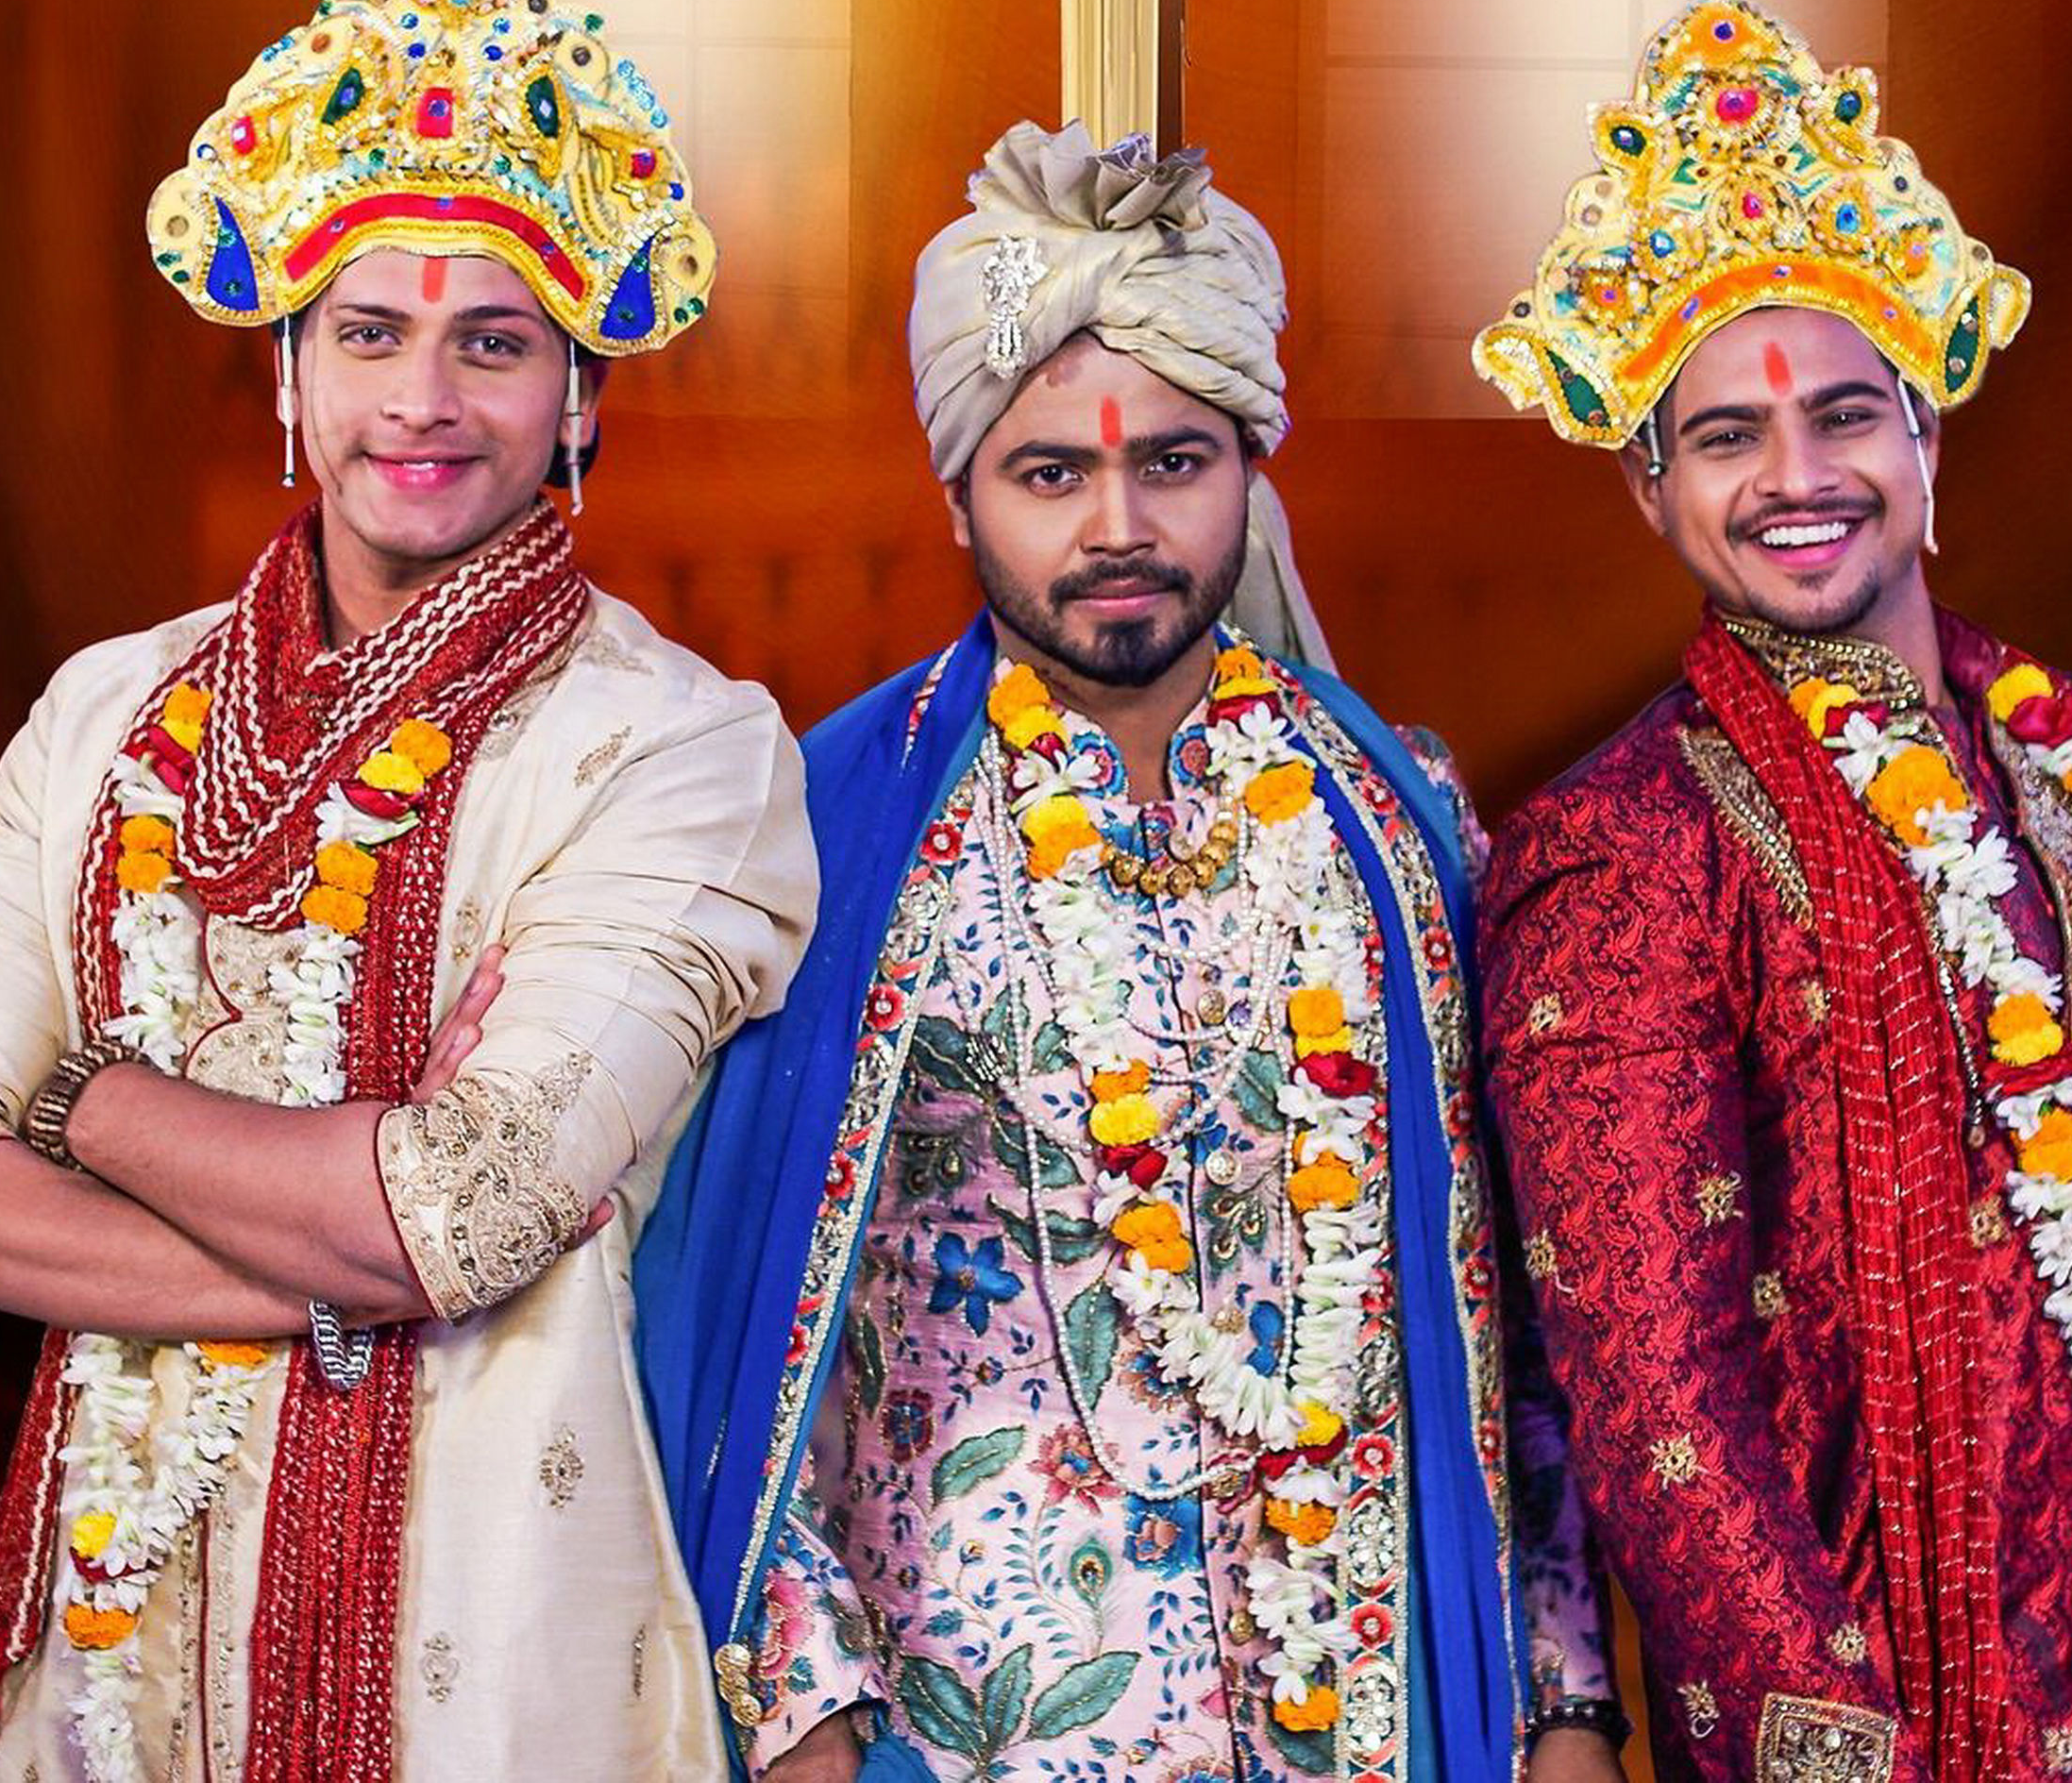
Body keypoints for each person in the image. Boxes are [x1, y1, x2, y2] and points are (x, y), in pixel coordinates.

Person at [0, 0, 817, 1781]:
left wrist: (79, 1104)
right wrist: (349, 1255)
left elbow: (465, 1210)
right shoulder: (106, 711)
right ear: (287, 372)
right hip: (114, 1652)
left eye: (495, 343)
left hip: (488, 1652)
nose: (421, 400)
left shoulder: (680, 747)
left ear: (582, 397)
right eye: (368, 334)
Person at [1467, 0, 2072, 1783]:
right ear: (1650, 491)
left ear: (1928, 442)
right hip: (1899, 1706)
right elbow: (1656, 1412)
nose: (1797, 477)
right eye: (1724, 439)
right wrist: (1839, 1747)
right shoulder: (1621, 846)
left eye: (1845, 416)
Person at [637, 121, 1624, 1783]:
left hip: (1356, 1715)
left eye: (1174, 462)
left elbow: (1514, 1308)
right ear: (958, 492)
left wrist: (1569, 1701)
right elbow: (718, 1299)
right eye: (1049, 474)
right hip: (966, 1729)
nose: (1116, 522)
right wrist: (803, 1723)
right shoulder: (825, 830)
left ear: (1251, 469)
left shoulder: (1400, 823)